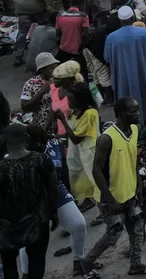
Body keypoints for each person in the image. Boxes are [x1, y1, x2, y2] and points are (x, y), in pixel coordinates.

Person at [84, 97, 146, 278]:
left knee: (137, 229)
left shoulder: (134, 130)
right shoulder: (106, 139)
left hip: (130, 193)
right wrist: (110, 198)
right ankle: (85, 265)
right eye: (133, 111)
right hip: (112, 198)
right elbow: (96, 171)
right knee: (113, 235)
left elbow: (132, 161)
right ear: (120, 114)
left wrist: (138, 186)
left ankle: (136, 264)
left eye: (137, 109)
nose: (137, 113)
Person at [23, 123, 89, 277]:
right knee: (27, 238)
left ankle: (79, 261)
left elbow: (63, 169)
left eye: (29, 140)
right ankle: (26, 274)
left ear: (38, 140)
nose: (26, 144)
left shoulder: (55, 145)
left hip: (57, 189)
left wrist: (71, 195)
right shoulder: (22, 154)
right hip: (32, 196)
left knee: (78, 224)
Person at [0, 122, 60, 279]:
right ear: (27, 139)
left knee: (9, 264)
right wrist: (53, 213)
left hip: (7, 226)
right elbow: (52, 189)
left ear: (5, 141)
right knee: (37, 261)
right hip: (38, 221)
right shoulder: (41, 160)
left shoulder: (1, 167)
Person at [105, 5, 146, 129]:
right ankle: (145, 127)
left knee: (123, 100)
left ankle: (126, 128)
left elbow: (107, 59)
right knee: (144, 97)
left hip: (120, 78)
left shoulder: (111, 38)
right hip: (141, 74)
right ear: (133, 18)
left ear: (120, 20)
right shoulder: (143, 32)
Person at [57, 82, 101, 206]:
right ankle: (89, 201)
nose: (68, 103)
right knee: (81, 178)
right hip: (78, 152)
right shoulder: (75, 113)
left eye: (71, 100)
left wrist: (63, 120)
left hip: (90, 151)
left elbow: (76, 138)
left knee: (95, 180)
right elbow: (71, 133)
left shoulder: (90, 113)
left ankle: (102, 208)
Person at [21, 51, 60, 129]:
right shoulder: (31, 84)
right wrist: (41, 92)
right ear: (42, 70)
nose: (55, 70)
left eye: (56, 67)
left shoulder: (60, 80)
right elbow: (24, 107)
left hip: (60, 126)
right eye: (51, 68)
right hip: (40, 126)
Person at [55, 0, 90, 71]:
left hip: (63, 48)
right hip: (77, 49)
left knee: (63, 70)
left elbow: (58, 33)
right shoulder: (83, 16)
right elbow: (86, 34)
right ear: (81, 5)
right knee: (80, 71)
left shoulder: (60, 15)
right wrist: (82, 46)